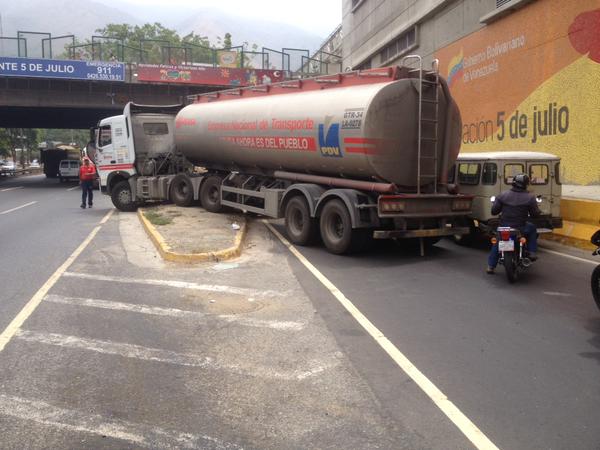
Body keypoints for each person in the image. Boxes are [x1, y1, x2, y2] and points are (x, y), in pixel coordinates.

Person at [487, 173, 541, 274]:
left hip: (504, 227)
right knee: (532, 228)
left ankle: (491, 266)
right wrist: (537, 212)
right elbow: (535, 214)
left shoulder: (503, 195)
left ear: (513, 183)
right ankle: (532, 251)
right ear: (526, 184)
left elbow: (494, 211)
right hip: (521, 228)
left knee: (498, 242)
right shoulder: (530, 197)